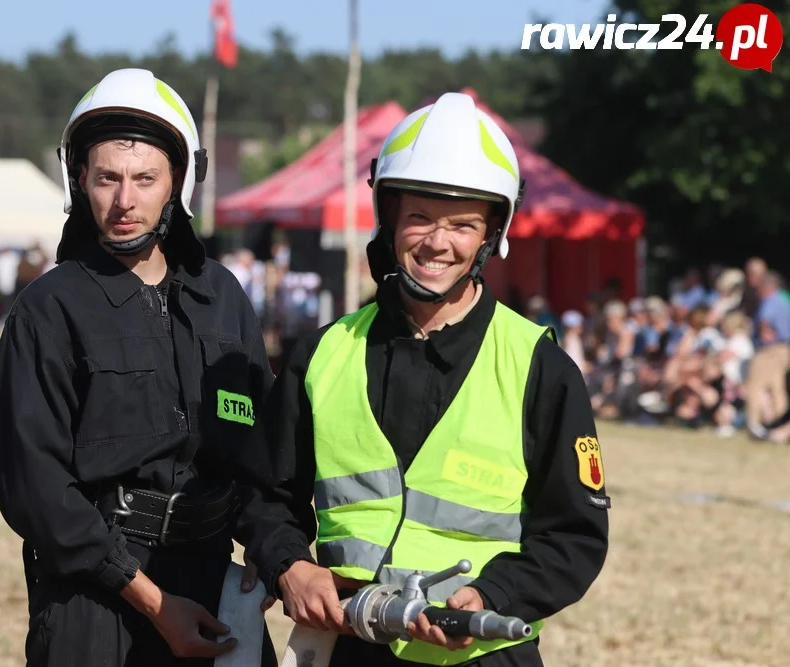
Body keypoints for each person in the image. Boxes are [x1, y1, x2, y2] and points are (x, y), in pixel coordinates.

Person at [237, 92, 610, 666]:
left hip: (482, 653)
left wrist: (493, 594)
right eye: (420, 218)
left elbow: (574, 536)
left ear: (492, 233)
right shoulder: (323, 353)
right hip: (349, 650)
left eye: (462, 225)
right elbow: (266, 496)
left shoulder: (540, 367)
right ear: (388, 219)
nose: (438, 243)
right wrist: (291, 564)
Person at [0, 68, 277, 666]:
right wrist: (149, 598)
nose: (125, 201)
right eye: (107, 179)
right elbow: (34, 488)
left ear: (177, 182)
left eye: (145, 179)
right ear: (79, 182)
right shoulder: (47, 310)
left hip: (215, 588)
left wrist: (276, 560)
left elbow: (262, 458)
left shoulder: (224, 298)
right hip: (94, 601)